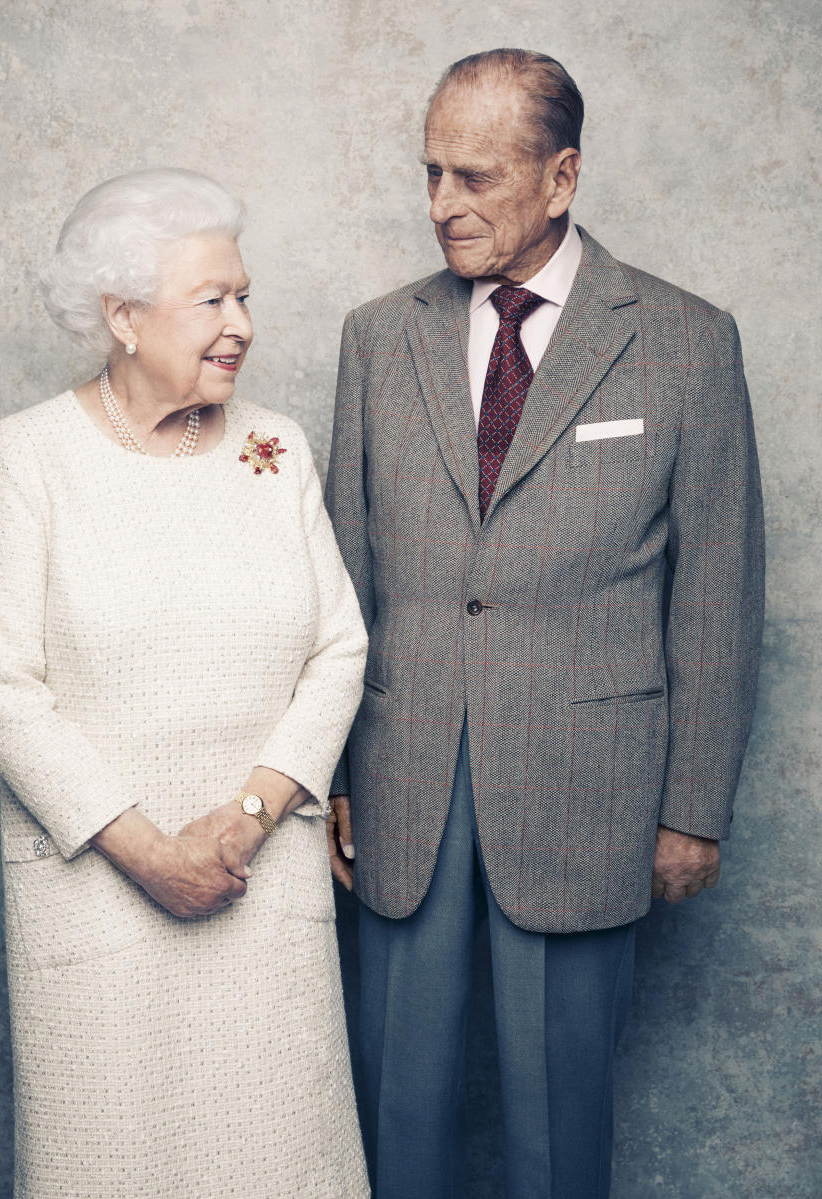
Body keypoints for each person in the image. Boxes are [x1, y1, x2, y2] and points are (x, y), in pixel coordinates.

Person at [324, 49, 764, 1199]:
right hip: (404, 774)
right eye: (430, 175)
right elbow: (344, 574)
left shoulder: (685, 339)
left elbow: (718, 592)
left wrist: (691, 805)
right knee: (395, 1104)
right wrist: (332, 776)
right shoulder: (377, 337)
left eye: (474, 178)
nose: (441, 206)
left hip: (592, 788)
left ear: (562, 178)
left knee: (561, 1121)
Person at [0, 167, 370, 1199]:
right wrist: (149, 853)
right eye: (211, 300)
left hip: (257, 880)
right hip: (95, 898)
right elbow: (3, 685)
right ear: (122, 316)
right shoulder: (30, 456)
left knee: (280, 1161)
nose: (240, 323)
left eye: (244, 295)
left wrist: (241, 822)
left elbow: (339, 647)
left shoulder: (276, 447)